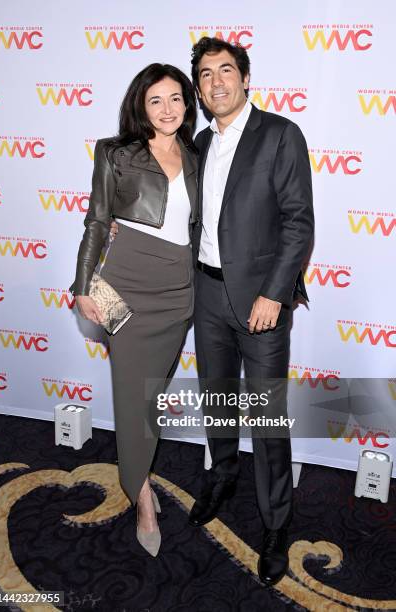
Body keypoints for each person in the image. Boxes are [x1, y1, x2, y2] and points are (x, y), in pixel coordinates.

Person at [188, 37, 314, 586]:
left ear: (245, 78)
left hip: (261, 300)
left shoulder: (281, 134)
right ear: (198, 90)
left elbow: (297, 222)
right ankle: (222, 476)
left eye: (225, 70)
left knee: (265, 420)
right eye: (206, 76)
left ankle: (275, 524)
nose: (216, 82)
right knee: (216, 396)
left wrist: (274, 293)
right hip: (206, 293)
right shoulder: (197, 141)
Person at [70, 63, 198, 557]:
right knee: (132, 401)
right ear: (140, 106)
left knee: (151, 397)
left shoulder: (197, 154)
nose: (167, 110)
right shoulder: (115, 153)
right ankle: (141, 497)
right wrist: (83, 287)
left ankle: (138, 473)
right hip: (127, 282)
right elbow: (98, 221)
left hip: (179, 288)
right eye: (156, 101)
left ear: (188, 105)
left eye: (176, 100)